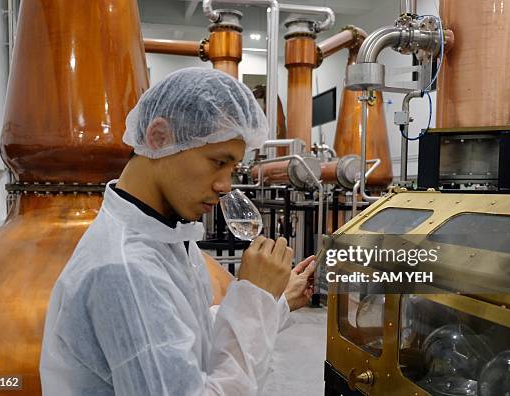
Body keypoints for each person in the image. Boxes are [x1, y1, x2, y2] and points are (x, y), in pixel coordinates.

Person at [40, 67, 316, 395]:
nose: (225, 185)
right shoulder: (124, 269)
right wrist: (253, 297)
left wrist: (275, 301)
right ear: (160, 137)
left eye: (233, 168)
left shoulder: (167, 235)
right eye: (218, 162)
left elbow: (188, 335)